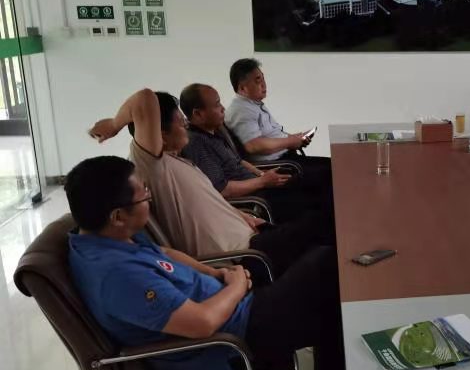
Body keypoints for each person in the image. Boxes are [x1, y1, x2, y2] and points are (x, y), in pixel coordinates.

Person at [65, 156, 348, 370]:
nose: (150, 199)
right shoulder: (118, 276)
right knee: (330, 271)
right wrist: (236, 286)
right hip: (230, 344)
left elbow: (163, 253)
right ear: (117, 216)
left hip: (234, 310)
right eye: (144, 196)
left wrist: (215, 272)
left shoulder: (104, 236)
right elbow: (201, 324)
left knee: (328, 273)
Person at [88, 88, 329, 277]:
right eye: (180, 121)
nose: (185, 125)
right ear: (161, 134)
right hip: (242, 259)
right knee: (326, 223)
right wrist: (114, 124)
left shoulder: (178, 162)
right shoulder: (152, 167)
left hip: (253, 236)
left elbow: (210, 201)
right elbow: (144, 99)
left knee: (327, 220)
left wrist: (244, 217)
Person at [179, 83, 323, 224]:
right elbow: (222, 189)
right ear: (198, 114)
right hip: (254, 199)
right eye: (217, 105)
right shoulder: (197, 143)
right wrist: (262, 181)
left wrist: (262, 175)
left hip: (260, 185)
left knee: (319, 180)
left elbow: (239, 161)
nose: (223, 108)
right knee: (317, 201)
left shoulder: (215, 131)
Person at [224, 58, 332, 194]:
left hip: (287, 159)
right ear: (242, 88)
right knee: (331, 172)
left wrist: (296, 139)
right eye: (258, 81)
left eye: (263, 78)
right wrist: (290, 141)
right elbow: (253, 145)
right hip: (276, 166)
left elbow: (272, 135)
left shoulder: (253, 105)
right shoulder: (241, 111)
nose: (264, 84)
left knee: (334, 166)